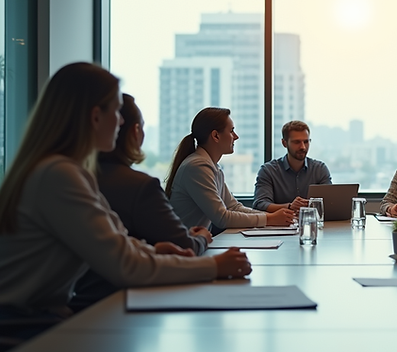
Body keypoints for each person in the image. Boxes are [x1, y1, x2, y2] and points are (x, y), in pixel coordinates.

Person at [0, 63, 250, 323]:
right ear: (96, 116)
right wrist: (214, 267)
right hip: (17, 327)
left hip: (37, 316)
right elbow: (125, 266)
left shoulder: (64, 170)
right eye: (117, 112)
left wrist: (152, 250)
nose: (121, 123)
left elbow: (118, 244)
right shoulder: (59, 175)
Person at [72, 94, 214, 307]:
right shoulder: (138, 186)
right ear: (135, 131)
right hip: (115, 303)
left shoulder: (82, 177)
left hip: (84, 301)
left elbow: (121, 243)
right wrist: (203, 240)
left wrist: (156, 250)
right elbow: (186, 248)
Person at [166, 108, 294, 230]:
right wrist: (269, 219)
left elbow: (233, 206)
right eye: (231, 130)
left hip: (195, 243)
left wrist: (271, 218)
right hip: (184, 248)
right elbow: (222, 218)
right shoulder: (197, 167)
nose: (236, 136)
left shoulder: (212, 166)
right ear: (216, 136)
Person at [253, 121, 332, 212]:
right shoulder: (268, 171)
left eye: (306, 142)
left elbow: (330, 203)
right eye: (297, 142)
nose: (303, 147)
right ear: (284, 143)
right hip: (280, 225)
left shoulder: (319, 169)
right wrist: (290, 206)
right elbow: (260, 204)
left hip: (312, 223)